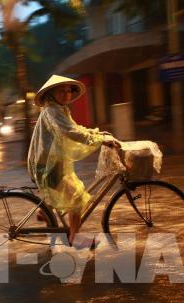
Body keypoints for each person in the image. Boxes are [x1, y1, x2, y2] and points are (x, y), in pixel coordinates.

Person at [27, 75, 120, 248]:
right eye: (61, 90)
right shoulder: (51, 111)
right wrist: (100, 140)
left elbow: (76, 128)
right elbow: (70, 132)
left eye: (69, 90)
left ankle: (44, 211)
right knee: (76, 198)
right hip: (47, 166)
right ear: (51, 93)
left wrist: (98, 135)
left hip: (55, 163)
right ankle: (74, 237)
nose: (66, 94)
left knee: (68, 193)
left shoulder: (61, 110)